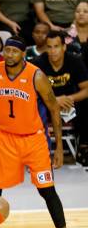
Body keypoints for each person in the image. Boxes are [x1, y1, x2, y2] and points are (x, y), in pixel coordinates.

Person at [0, 36, 76, 228]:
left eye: (15, 51)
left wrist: (59, 148)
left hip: (34, 140)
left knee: (48, 192)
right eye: (7, 50)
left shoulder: (37, 76)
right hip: (4, 138)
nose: (10, 55)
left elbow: (54, 109)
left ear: (23, 54)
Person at [35, 30, 88, 169]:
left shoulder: (75, 61)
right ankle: (38, 152)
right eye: (49, 47)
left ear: (64, 47)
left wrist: (70, 98)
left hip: (69, 102)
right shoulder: (38, 63)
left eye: (56, 46)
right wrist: (54, 100)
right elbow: (31, 92)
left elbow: (86, 89)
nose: (53, 51)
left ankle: (84, 147)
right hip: (45, 103)